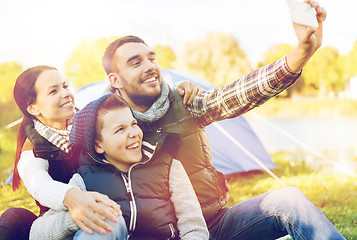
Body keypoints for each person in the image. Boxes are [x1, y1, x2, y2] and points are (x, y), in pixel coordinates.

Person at [99, 1, 345, 239]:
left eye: (151, 58)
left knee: (289, 200)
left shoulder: (185, 102)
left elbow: (239, 94)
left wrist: (301, 53)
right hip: (163, 235)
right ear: (115, 80)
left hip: (216, 225)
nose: (149, 66)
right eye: (135, 63)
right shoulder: (102, 125)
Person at [0, 65, 201, 239]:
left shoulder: (88, 123)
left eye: (64, 86)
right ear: (33, 108)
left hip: (108, 214)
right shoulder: (33, 148)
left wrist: (176, 93)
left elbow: (121, 106)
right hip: (62, 222)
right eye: (53, 91)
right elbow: (39, 185)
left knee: (107, 223)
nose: (65, 94)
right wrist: (73, 199)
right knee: (13, 217)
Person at [29, 93, 209, 240]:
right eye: (120, 129)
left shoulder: (169, 167)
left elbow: (194, 226)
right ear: (98, 145)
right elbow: (37, 233)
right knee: (104, 223)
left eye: (133, 124)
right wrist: (76, 218)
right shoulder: (83, 180)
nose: (133, 134)